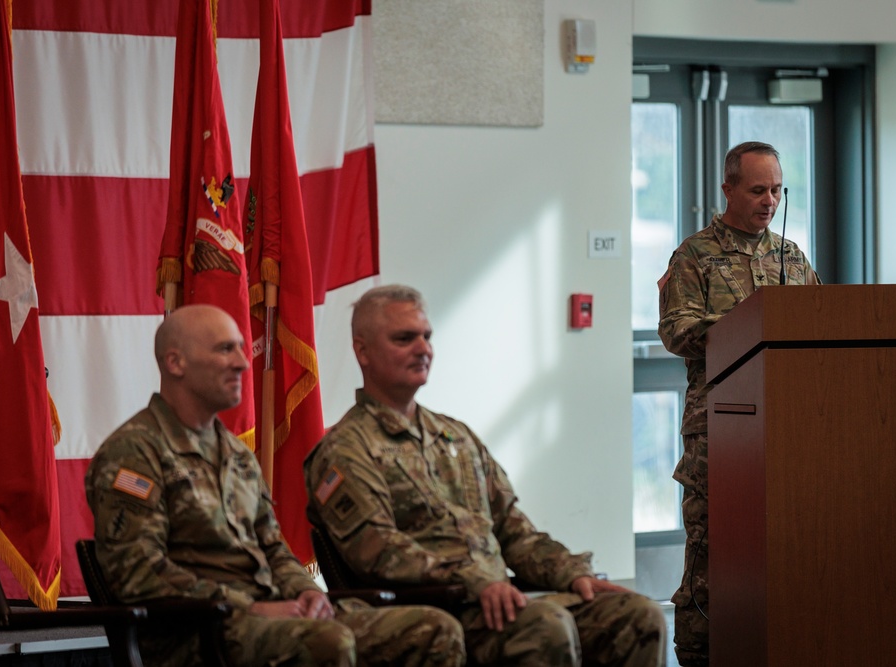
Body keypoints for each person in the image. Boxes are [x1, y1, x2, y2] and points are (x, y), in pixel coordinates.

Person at [304, 284, 667, 667]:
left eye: (427, 337)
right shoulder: (346, 450)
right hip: (433, 611)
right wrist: (475, 580)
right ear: (363, 351)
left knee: (637, 614)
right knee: (545, 624)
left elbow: (513, 530)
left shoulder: (455, 436)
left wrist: (571, 573)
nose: (423, 348)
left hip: (496, 600)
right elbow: (380, 552)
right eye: (404, 338)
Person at [85, 303, 466, 667]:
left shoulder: (236, 455)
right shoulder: (134, 452)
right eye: (224, 350)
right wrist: (248, 606)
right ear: (175, 362)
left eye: (239, 348)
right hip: (198, 633)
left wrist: (308, 595)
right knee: (328, 642)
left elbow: (274, 548)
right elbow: (138, 572)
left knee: (433, 630)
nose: (241, 362)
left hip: (269, 615)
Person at [657, 141, 820, 666]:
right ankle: (699, 653)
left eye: (776, 190)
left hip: (793, 425)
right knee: (712, 546)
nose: (769, 200)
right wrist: (753, 329)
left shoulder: (791, 257)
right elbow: (678, 330)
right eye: (757, 190)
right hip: (719, 427)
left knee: (788, 542)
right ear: (728, 188)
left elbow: (824, 325)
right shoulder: (694, 255)